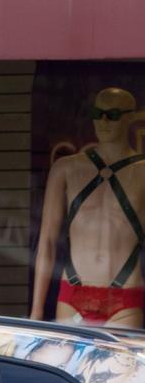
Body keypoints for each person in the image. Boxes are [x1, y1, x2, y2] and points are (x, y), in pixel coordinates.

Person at [31, 87, 145, 326]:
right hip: (73, 293)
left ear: (129, 118)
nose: (103, 122)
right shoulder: (65, 168)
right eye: (97, 113)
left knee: (116, 365)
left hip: (124, 294)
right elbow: (47, 242)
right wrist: (36, 314)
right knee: (65, 365)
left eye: (112, 114)